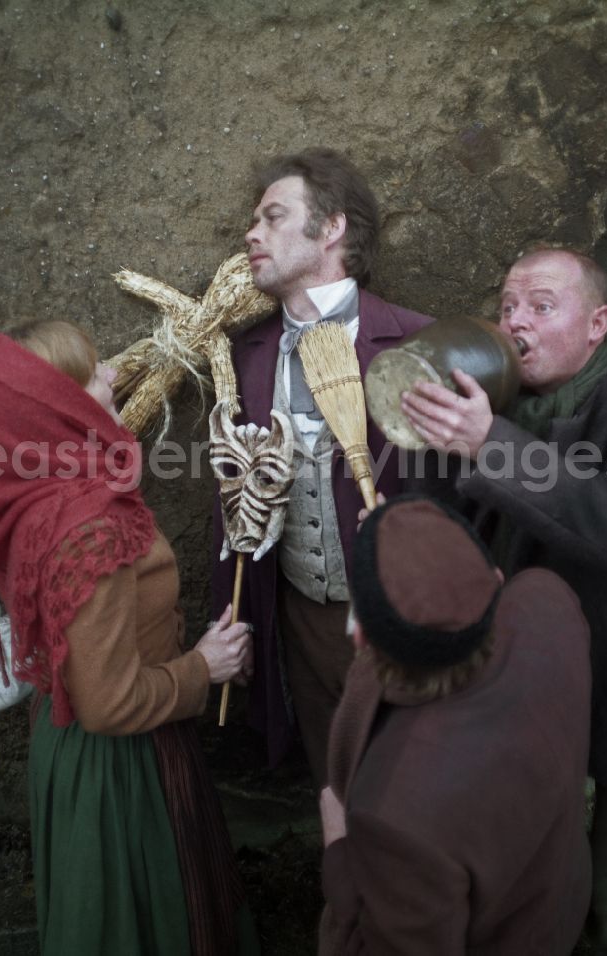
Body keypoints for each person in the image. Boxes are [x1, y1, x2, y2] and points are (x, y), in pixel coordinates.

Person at [400, 247, 607, 955]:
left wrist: (491, 444)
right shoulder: (496, 401)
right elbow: (443, 518)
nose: (517, 323)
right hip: (532, 689)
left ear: (597, 323)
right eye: (509, 305)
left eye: (542, 307)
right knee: (541, 893)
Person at [0, 319, 258, 956]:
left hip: (63, 741)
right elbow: (109, 702)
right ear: (57, 404)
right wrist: (203, 666)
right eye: (94, 371)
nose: (114, 375)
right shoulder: (88, 521)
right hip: (122, 768)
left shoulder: (13, 488)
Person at [211, 147, 433, 783]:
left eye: (273, 217)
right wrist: (233, 614)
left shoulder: (418, 343)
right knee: (334, 783)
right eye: (254, 222)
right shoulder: (245, 356)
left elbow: (470, 494)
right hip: (299, 620)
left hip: (401, 619)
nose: (251, 234)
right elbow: (231, 498)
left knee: (414, 786)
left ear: (331, 227)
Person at [317, 494, 592, 954]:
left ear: (361, 635)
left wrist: (339, 847)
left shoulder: (396, 816)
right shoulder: (549, 600)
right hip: (558, 904)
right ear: (494, 580)